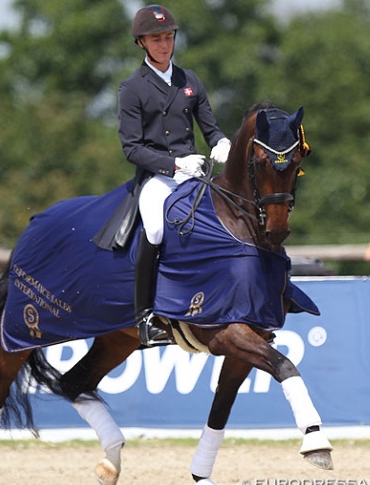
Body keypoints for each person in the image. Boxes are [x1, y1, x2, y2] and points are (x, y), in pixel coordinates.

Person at [119, 4, 230, 346]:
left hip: (195, 173)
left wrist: (223, 142)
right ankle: (146, 317)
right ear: (142, 43)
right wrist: (176, 165)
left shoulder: (189, 80)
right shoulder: (132, 88)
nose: (165, 45)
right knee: (154, 228)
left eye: (168, 37)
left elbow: (210, 129)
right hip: (158, 177)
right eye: (157, 39)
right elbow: (132, 148)